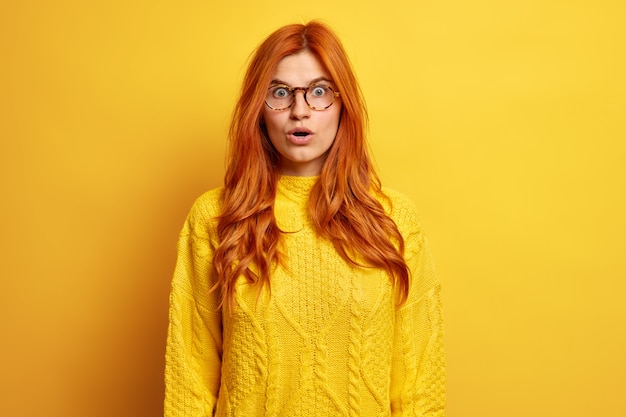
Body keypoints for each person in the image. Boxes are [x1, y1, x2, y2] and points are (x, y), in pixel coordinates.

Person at [164, 21, 446, 417]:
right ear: (257, 110)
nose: (300, 111)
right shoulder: (214, 219)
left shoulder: (394, 219)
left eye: (318, 92)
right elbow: (189, 382)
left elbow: (419, 388)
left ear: (343, 102)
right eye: (280, 93)